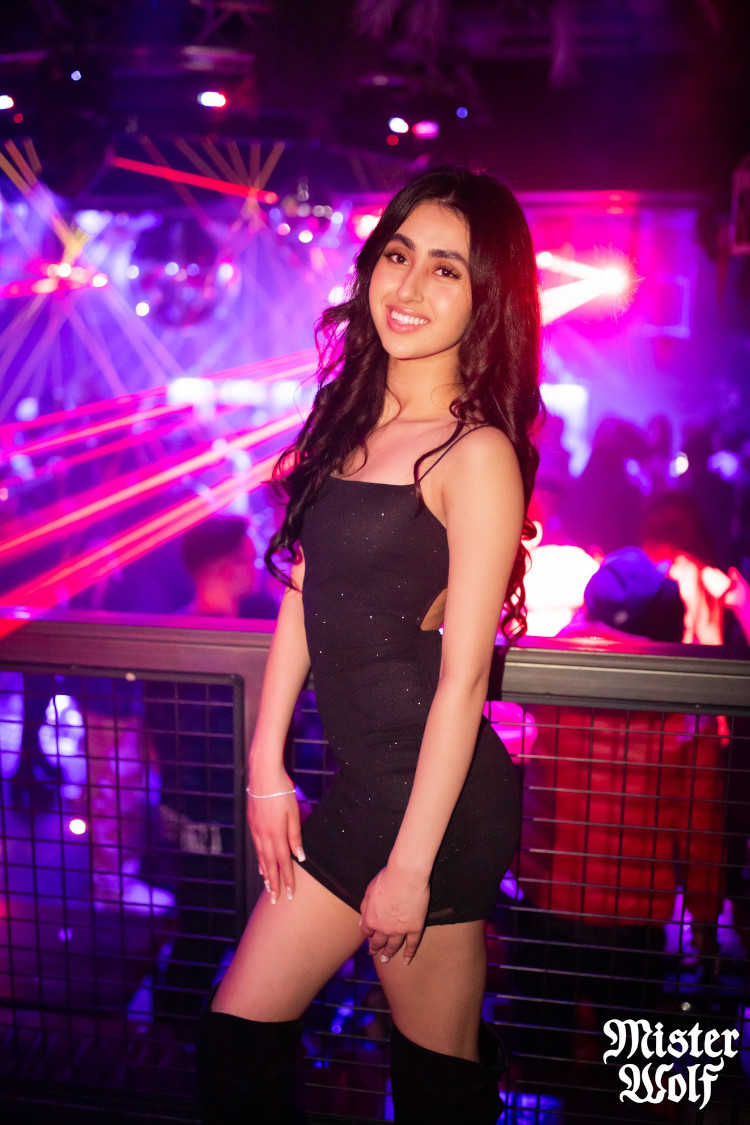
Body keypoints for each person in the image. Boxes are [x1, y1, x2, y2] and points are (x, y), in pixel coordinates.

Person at [197, 166, 542, 1124]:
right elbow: (304, 594)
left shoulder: (476, 452)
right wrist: (265, 764)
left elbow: (465, 680)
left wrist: (413, 866)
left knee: (436, 1090)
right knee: (236, 1041)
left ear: (485, 301)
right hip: (364, 791)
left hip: (437, 806)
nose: (410, 286)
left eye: (447, 270)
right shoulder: (353, 424)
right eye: (399, 256)